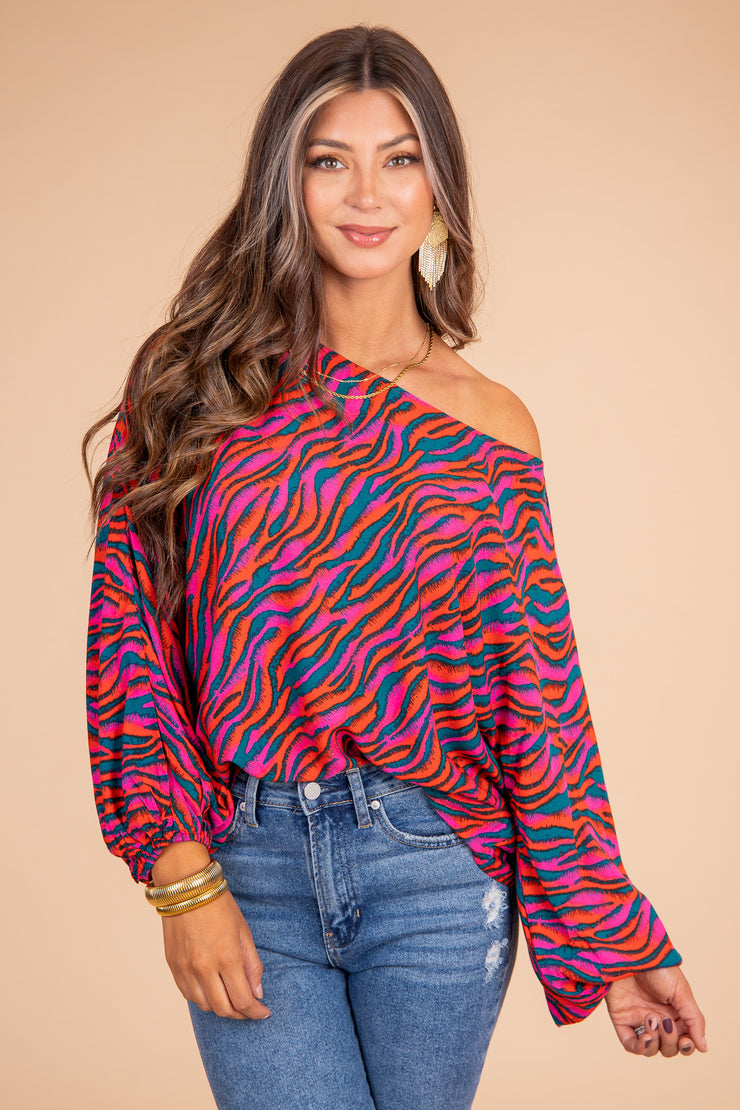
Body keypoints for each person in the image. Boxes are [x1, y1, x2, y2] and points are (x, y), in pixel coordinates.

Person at [82, 23, 708, 1110]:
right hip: (249, 857)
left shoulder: (490, 424)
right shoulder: (195, 383)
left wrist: (612, 935)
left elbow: (538, 696)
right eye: (330, 160)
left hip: (436, 868)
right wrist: (182, 881)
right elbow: (128, 639)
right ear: (286, 182)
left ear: (439, 188)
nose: (366, 194)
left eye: (400, 158)